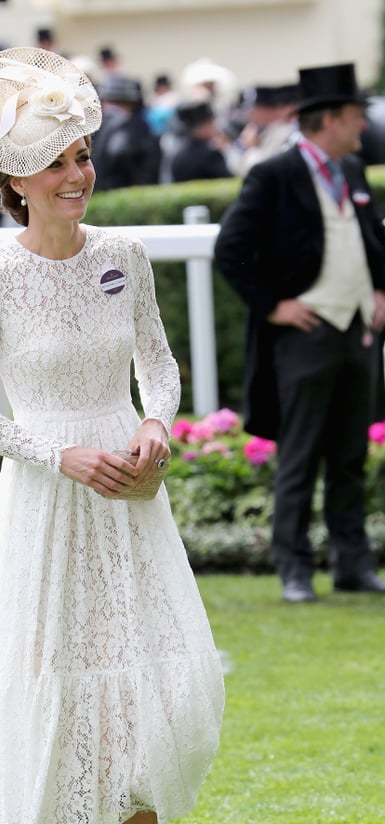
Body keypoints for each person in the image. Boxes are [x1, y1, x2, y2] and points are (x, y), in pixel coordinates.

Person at [0, 46, 225, 824]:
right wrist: (54, 452)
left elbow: (160, 363)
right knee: (60, 702)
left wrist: (152, 427)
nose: (79, 175)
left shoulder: (125, 256)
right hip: (47, 506)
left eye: (85, 156)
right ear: (15, 180)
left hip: (133, 505)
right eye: (59, 161)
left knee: (165, 690)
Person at [214, 62, 385, 602]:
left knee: (350, 455)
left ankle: (351, 564)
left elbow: (368, 242)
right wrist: (274, 307)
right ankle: (292, 568)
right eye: (356, 117)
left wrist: (378, 291)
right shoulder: (274, 174)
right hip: (304, 335)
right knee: (300, 454)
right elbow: (231, 251)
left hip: (354, 331)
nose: (363, 127)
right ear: (329, 119)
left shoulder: (353, 172)